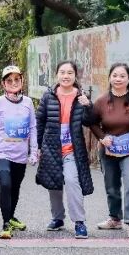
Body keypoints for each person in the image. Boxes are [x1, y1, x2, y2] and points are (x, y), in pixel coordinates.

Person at [90, 63, 129, 239]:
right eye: (115, 75)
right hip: (108, 150)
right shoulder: (101, 101)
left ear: (128, 79)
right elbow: (92, 122)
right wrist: (102, 137)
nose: (118, 79)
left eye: (122, 76)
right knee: (111, 185)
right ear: (110, 77)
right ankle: (115, 218)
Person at [36, 60, 95, 239]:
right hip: (51, 147)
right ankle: (57, 218)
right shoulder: (48, 96)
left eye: (70, 73)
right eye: (62, 72)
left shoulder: (81, 96)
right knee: (53, 183)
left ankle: (79, 221)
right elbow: (40, 121)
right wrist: (38, 146)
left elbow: (89, 121)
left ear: (75, 75)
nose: (66, 76)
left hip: (72, 149)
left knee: (71, 180)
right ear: (57, 75)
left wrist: (88, 106)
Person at [0, 65, 39, 240]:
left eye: (17, 79)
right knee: (6, 184)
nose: (13, 83)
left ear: (22, 81)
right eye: (9, 80)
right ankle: (5, 224)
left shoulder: (28, 103)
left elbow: (33, 128)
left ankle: (11, 217)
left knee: (15, 188)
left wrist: (33, 152)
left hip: (20, 155)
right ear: (3, 84)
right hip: (3, 153)